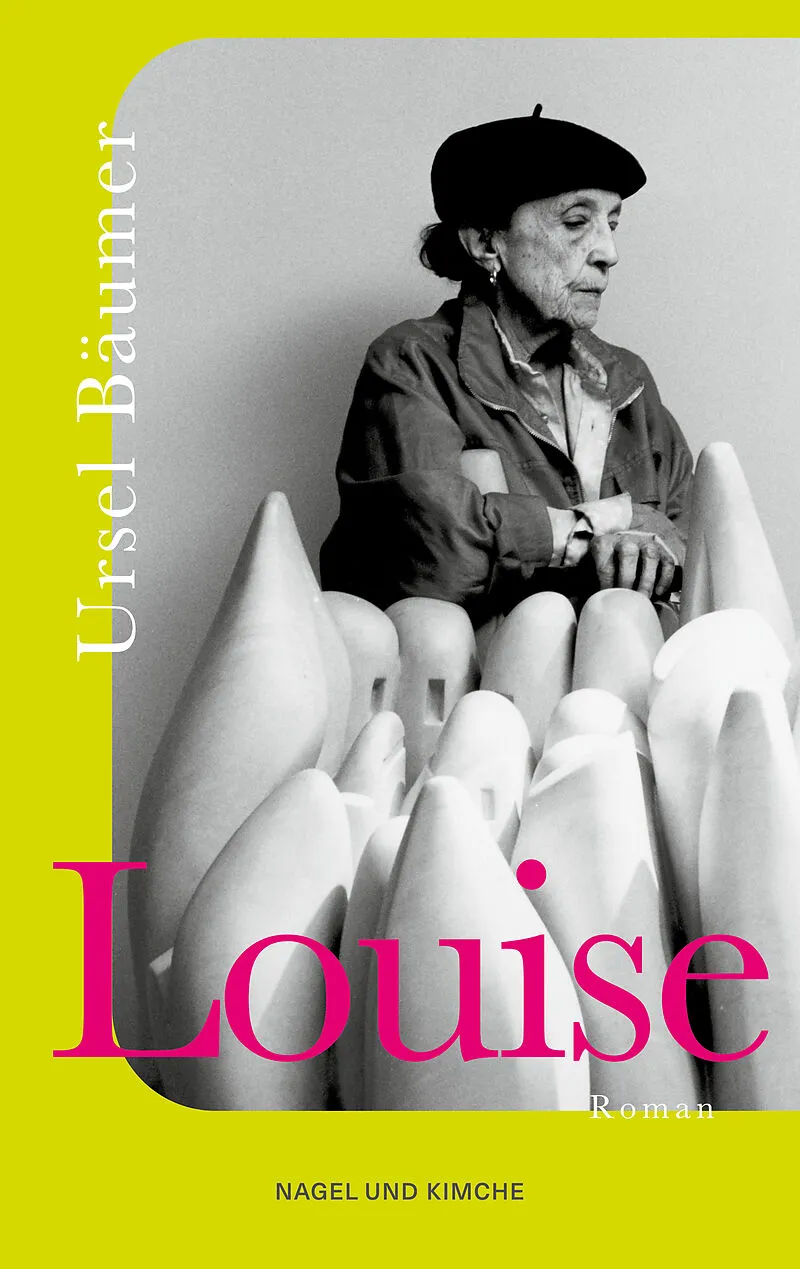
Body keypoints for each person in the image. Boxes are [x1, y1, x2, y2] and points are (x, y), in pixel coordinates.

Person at [320, 106, 693, 628]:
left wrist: (661, 548)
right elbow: (437, 554)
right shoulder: (413, 362)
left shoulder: (629, 380)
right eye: (576, 222)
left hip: (631, 673)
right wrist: (614, 521)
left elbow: (695, 543)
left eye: (611, 224)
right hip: (480, 677)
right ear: (486, 243)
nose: (608, 253)